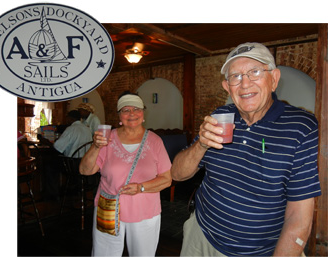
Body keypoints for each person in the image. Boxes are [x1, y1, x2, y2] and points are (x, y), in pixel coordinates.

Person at [171, 42, 321, 257]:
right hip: (202, 236)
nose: (245, 83)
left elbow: (299, 216)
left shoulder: (301, 127)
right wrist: (201, 144)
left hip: (263, 251)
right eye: (235, 76)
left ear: (274, 79)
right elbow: (177, 173)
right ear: (227, 87)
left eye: (255, 72)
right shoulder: (219, 116)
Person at [79, 92, 172, 257]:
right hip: (108, 208)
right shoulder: (107, 139)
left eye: (136, 108)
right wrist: (95, 146)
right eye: (125, 109)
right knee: (104, 254)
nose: (131, 113)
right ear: (119, 116)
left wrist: (141, 187)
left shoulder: (155, 141)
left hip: (145, 212)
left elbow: (166, 179)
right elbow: (85, 170)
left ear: (143, 113)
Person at [40, 110, 93, 201]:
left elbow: (57, 147)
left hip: (72, 165)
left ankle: (52, 196)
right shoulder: (87, 128)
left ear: (70, 118)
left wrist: (47, 142)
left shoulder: (71, 129)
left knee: (49, 165)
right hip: (84, 163)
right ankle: (73, 188)